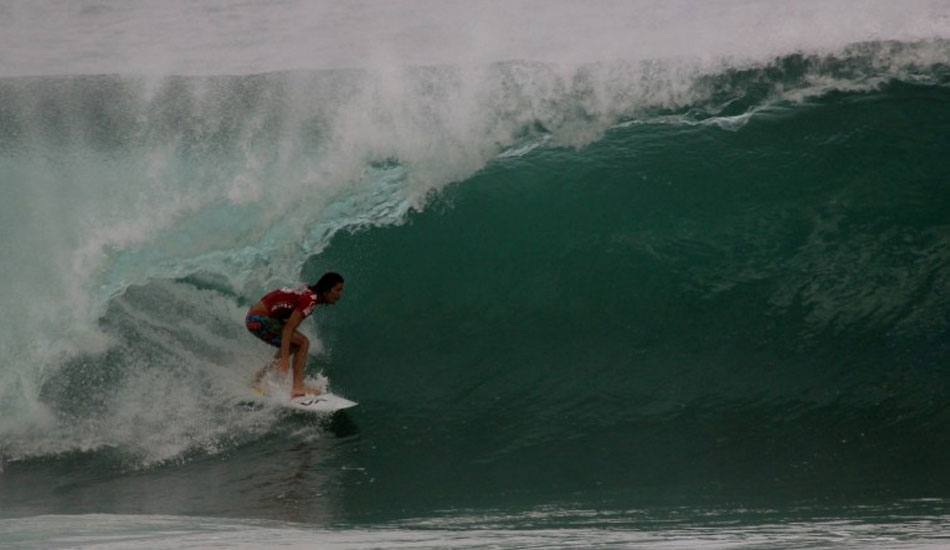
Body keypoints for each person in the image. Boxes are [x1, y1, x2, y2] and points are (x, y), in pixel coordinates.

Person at [245, 272, 344, 397]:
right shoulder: (310, 299)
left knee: (296, 343)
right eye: (337, 290)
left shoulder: (309, 293)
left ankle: (258, 378)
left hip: (256, 318)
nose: (340, 294)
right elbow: (288, 329)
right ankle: (297, 387)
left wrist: (286, 353)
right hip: (258, 319)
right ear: (327, 289)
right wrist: (285, 358)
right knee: (304, 342)